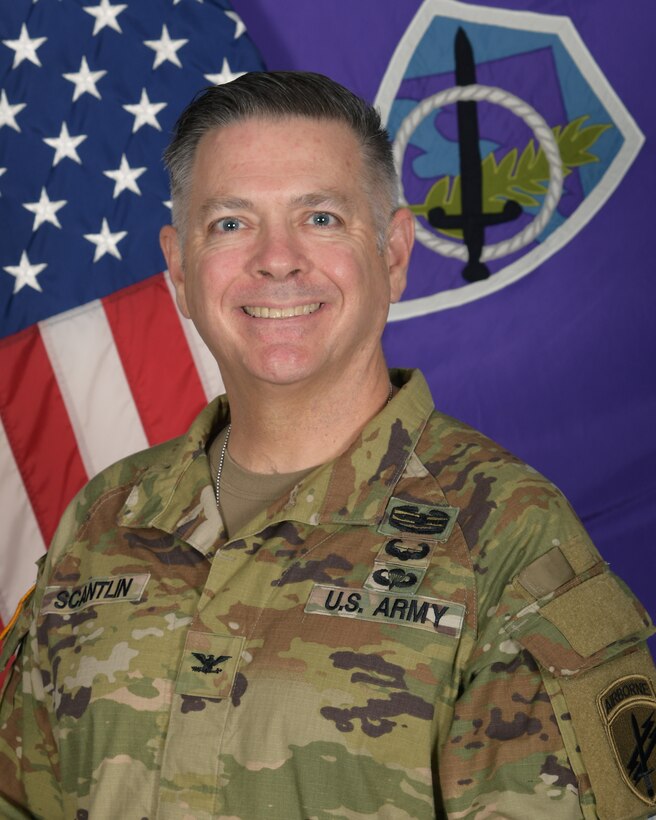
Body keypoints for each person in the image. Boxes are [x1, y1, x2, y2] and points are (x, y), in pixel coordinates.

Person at [0, 71, 654, 820]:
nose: (277, 260)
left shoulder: (504, 539)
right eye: (230, 223)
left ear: (395, 254)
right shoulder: (107, 517)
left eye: (320, 218)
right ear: (180, 270)